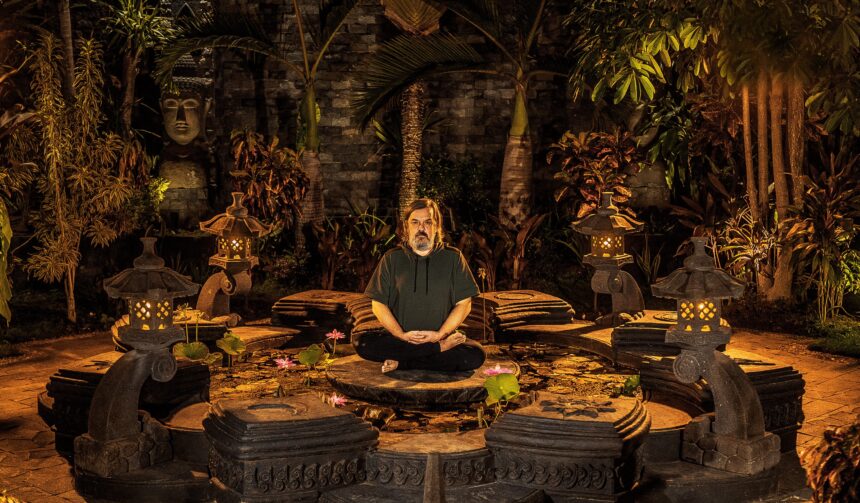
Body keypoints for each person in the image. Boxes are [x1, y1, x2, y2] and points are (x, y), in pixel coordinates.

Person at [356, 198, 486, 373]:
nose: (421, 228)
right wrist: (401, 335)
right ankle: (436, 352)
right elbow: (378, 304)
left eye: (428, 222)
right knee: (362, 342)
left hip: (441, 337)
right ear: (406, 226)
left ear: (437, 226)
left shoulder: (453, 258)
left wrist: (440, 335)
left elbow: (464, 304)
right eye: (415, 222)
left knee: (475, 355)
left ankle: (403, 363)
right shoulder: (392, 258)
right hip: (400, 340)